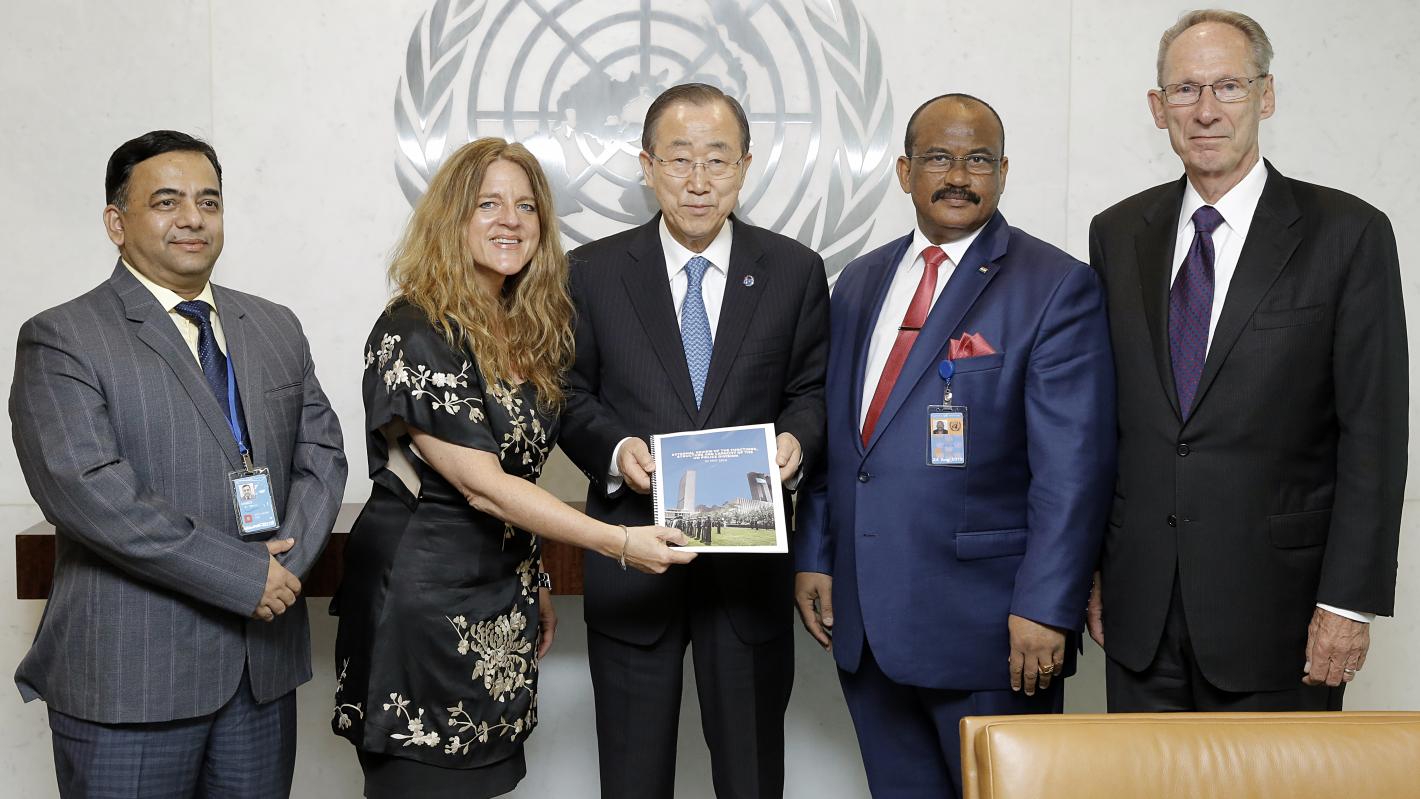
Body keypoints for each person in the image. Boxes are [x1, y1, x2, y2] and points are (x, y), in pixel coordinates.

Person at [330, 138, 694, 799]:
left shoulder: (521, 324)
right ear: (452, 217)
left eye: (526, 206)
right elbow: (485, 486)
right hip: (422, 601)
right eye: (488, 203)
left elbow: (519, 474)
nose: (511, 220)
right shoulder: (416, 327)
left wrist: (536, 576)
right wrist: (619, 542)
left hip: (501, 595)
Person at [794, 94, 1115, 798]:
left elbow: (1074, 471)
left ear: (1004, 172)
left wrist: (1047, 605)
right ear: (905, 171)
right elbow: (837, 437)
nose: (960, 177)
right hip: (867, 623)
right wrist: (816, 553)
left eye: (979, 160)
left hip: (991, 632)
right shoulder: (860, 282)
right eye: (940, 158)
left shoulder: (1055, 286)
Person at [10, 130, 348, 797]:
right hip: (133, 677)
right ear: (116, 223)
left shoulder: (274, 325)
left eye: (208, 201)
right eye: (167, 201)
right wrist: (244, 575)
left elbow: (323, 455)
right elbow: (92, 493)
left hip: (260, 673)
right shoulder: (63, 337)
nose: (193, 218)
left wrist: (284, 570)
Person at [1087, 9, 1407, 713]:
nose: (1205, 111)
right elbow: (1108, 424)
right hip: (1141, 616)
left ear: (1266, 96)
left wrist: (1348, 603)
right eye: (1185, 90)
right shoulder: (1117, 233)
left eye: (1228, 86)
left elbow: (1374, 435)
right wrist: (1095, 569)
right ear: (1158, 107)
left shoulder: (1348, 234)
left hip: (1283, 619)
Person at [559, 83, 828, 798]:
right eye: (680, 159)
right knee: (632, 778)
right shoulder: (590, 272)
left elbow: (811, 390)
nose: (699, 180)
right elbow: (568, 393)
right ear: (647, 166)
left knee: (751, 777)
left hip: (748, 573)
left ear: (745, 166)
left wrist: (798, 440)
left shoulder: (795, 270)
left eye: (717, 159)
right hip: (633, 560)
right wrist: (616, 450)